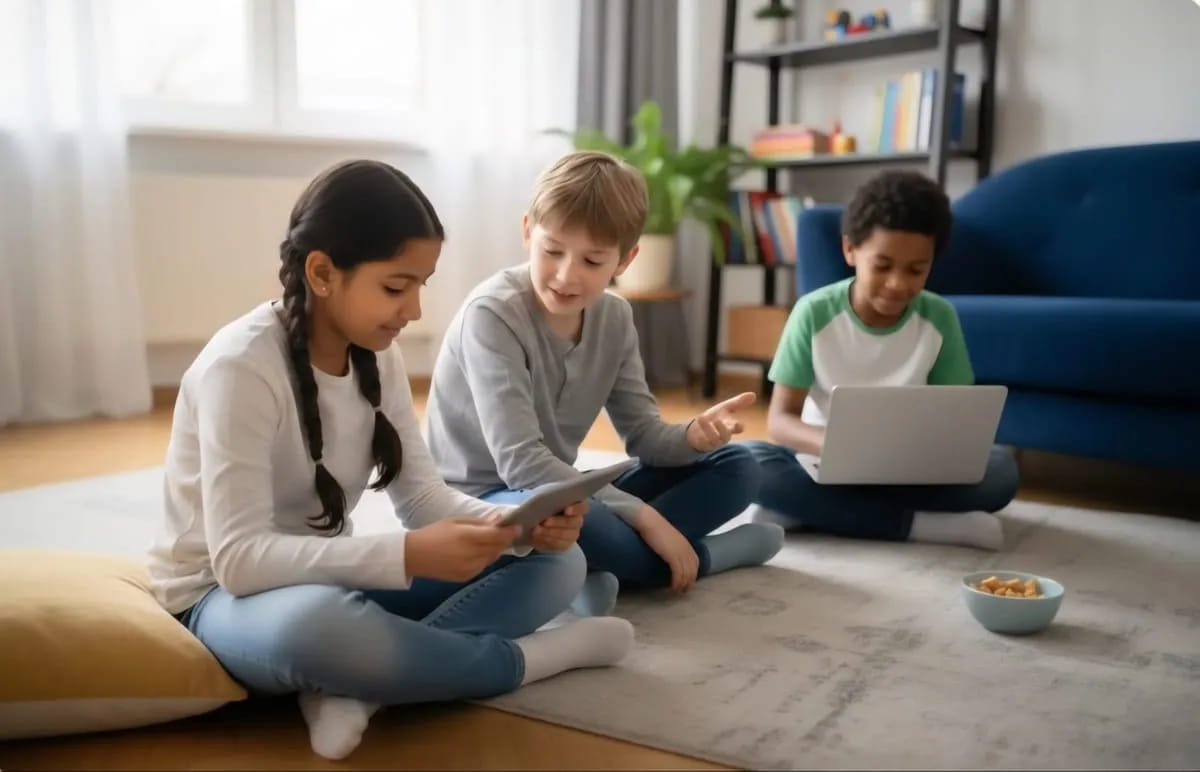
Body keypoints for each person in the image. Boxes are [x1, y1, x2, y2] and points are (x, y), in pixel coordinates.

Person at [147, 160, 633, 761]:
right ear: (322, 273)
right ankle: (528, 660)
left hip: (325, 578)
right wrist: (406, 556)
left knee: (558, 562)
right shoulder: (240, 368)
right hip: (219, 596)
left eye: (421, 286)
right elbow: (240, 562)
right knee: (318, 628)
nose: (415, 311)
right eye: (396, 287)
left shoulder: (378, 353)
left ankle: (358, 687)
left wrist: (513, 530)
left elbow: (423, 498)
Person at [425, 151, 783, 614]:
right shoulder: (491, 315)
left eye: (592, 261)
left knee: (740, 465)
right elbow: (520, 463)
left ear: (625, 259)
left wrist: (694, 436)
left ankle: (597, 570)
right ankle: (710, 557)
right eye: (552, 251)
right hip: (482, 501)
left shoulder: (615, 317)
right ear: (528, 231)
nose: (566, 275)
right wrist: (646, 518)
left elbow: (644, 437)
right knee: (582, 516)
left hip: (558, 488)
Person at [742, 170, 1019, 550]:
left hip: (910, 469)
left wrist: (910, 456)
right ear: (850, 250)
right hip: (823, 462)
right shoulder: (813, 312)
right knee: (749, 461)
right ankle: (920, 526)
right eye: (883, 266)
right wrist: (840, 448)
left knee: (1001, 471)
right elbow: (780, 421)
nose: (897, 284)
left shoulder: (939, 317)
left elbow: (956, 422)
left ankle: (809, 511)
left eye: (916, 270)